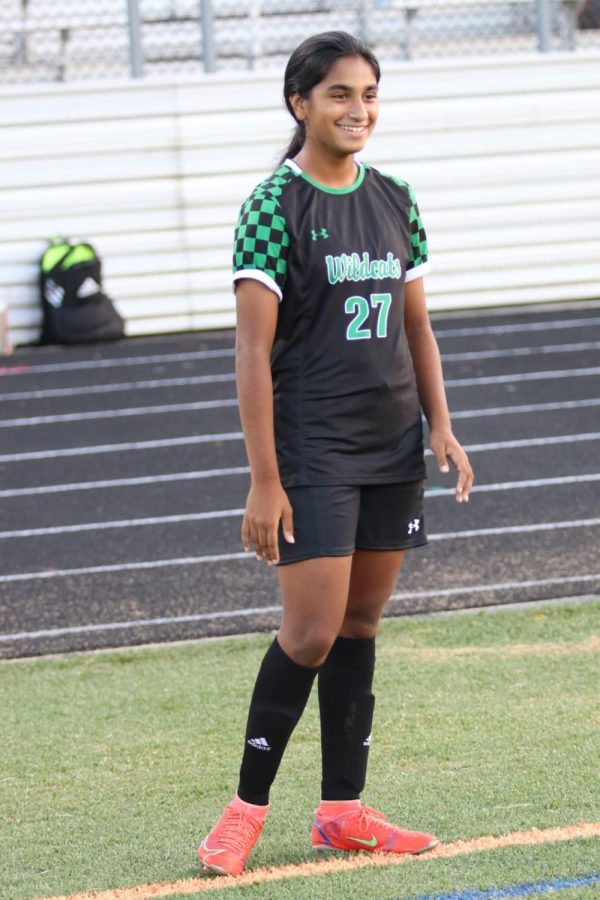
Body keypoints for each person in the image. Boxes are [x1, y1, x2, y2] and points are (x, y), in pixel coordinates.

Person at [198, 30, 474, 877]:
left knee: (360, 623)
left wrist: (441, 424)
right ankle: (243, 811)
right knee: (310, 631)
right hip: (313, 449)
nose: (359, 110)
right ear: (300, 105)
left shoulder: (396, 197)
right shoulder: (274, 207)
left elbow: (416, 324)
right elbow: (251, 353)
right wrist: (264, 480)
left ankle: (343, 811)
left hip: (390, 445)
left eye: (369, 94)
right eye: (340, 95)